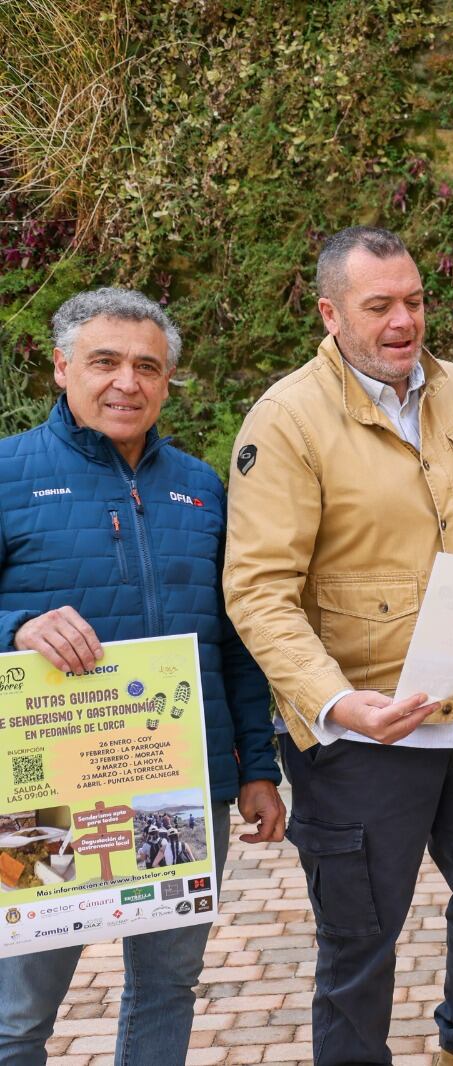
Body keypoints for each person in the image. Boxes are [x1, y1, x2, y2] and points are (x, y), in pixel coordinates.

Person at [223, 226, 453, 1066]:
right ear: (332, 314)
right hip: (365, 729)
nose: (404, 321)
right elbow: (258, 589)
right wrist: (337, 703)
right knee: (360, 947)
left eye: (414, 300)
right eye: (380, 307)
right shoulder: (286, 420)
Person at [0, 287, 284, 1065]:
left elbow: (235, 643)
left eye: (147, 367)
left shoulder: (202, 488)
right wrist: (14, 629)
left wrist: (257, 768)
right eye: (105, 362)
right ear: (61, 368)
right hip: (45, 800)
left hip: (176, 788)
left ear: (166, 383)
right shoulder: (7, 472)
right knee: (19, 1012)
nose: (127, 381)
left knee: (167, 984)